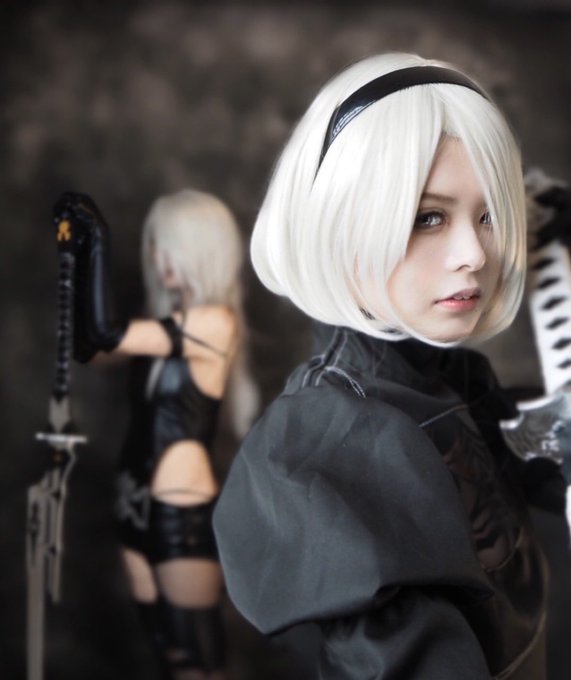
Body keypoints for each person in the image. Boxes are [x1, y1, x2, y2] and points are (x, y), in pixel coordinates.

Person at [212, 53, 568, 679]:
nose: (474, 253)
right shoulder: (329, 443)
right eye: (428, 217)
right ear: (340, 223)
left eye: (489, 215)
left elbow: (534, 456)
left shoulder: (446, 375)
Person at [53, 188, 257, 680]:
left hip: (177, 512)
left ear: (201, 250)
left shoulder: (216, 324)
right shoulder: (161, 327)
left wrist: (97, 237)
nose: (158, 258)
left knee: (197, 661)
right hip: (132, 499)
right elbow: (88, 348)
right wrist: (77, 255)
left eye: (169, 245)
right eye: (155, 245)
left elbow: (104, 335)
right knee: (167, 653)